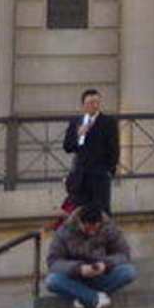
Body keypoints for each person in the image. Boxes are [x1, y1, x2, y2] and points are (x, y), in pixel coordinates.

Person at [44, 204, 136, 308]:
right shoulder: (64, 231)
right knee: (52, 280)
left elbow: (124, 254)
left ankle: (82, 296)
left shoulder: (109, 228)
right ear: (80, 222)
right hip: (75, 278)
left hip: (101, 275)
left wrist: (105, 264)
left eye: (95, 229)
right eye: (88, 229)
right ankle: (94, 298)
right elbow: (53, 262)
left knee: (129, 272)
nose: (92, 233)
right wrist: (78, 269)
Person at [61, 88, 120, 218]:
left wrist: (109, 170)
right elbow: (67, 147)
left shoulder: (108, 122)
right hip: (80, 176)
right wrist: (78, 135)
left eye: (97, 102)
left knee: (101, 212)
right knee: (80, 212)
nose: (94, 105)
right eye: (91, 103)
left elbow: (114, 148)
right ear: (83, 105)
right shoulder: (76, 122)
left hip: (99, 175)